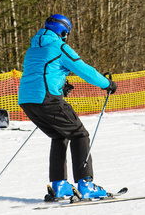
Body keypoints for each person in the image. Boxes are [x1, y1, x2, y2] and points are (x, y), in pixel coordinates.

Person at [18, 14, 117, 200]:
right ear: (63, 32)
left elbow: (41, 72)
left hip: (27, 101)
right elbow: (84, 69)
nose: (66, 37)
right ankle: (86, 185)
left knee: (59, 136)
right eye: (66, 33)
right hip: (47, 99)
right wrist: (107, 84)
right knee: (80, 135)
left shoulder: (32, 48)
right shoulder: (59, 46)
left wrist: (60, 86)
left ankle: (60, 185)